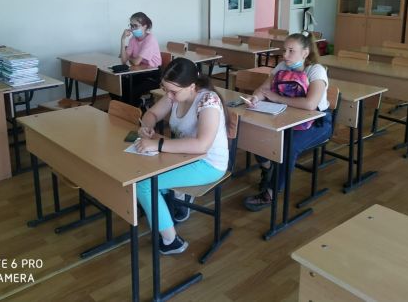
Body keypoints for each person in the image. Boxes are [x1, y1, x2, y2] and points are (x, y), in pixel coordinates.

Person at [135, 57, 228, 254]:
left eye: (173, 92)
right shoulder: (175, 93)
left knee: (144, 183)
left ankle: (171, 241)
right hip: (183, 156)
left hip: (208, 163)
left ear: (192, 86)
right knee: (143, 172)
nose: (168, 95)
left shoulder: (208, 100)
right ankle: (175, 204)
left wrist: (158, 144)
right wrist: (147, 127)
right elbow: (151, 114)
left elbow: (202, 145)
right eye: (165, 89)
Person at [242, 31, 332, 212]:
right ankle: (268, 168)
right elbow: (264, 89)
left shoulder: (315, 70)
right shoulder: (282, 66)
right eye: (284, 50)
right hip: (286, 117)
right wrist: (255, 98)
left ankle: (272, 192)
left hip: (318, 122)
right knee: (256, 132)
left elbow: (310, 104)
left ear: (305, 53)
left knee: (288, 146)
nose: (285, 55)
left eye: (291, 51)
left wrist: (277, 98)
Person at [119, 12, 162, 106]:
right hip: (139, 72)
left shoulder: (150, 39)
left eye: (135, 26)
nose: (132, 29)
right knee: (119, 86)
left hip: (152, 75)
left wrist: (127, 55)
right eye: (131, 25)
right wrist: (123, 40)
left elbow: (136, 62)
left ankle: (136, 108)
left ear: (145, 26)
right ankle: (126, 107)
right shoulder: (133, 39)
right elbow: (123, 61)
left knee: (131, 90)